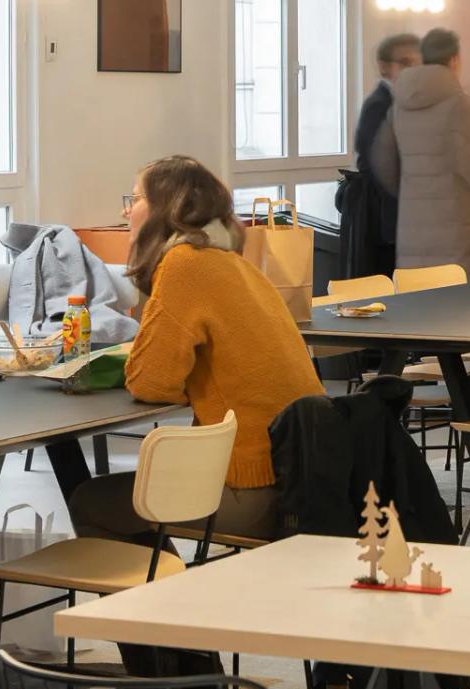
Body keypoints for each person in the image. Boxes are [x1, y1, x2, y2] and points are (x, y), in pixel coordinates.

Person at [67, 155, 324, 546]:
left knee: (90, 500)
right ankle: (169, 580)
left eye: (136, 199)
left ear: (166, 209)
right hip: (300, 479)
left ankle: (164, 585)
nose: (125, 211)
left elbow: (150, 383)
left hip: (251, 490)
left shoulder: (183, 264)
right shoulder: (235, 264)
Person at [370, 27, 470, 271]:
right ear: (454, 60)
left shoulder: (399, 104)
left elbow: (382, 160)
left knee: (422, 289)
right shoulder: (458, 102)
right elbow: (467, 164)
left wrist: (409, 192)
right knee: (465, 289)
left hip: (413, 222)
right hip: (458, 222)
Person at [348, 32, 419, 275]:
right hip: (387, 215)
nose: (413, 71)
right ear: (384, 66)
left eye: (417, 64)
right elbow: (371, 163)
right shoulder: (380, 104)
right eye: (406, 63)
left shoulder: (402, 101)